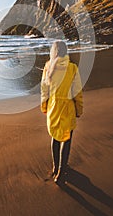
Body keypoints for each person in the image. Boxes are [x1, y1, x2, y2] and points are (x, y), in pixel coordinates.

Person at [41, 40, 83, 186]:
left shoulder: (48, 67)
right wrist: (79, 109)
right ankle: (61, 172)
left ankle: (55, 166)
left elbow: (44, 91)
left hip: (53, 107)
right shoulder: (72, 68)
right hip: (67, 108)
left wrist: (44, 107)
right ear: (66, 52)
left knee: (55, 137)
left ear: (53, 52)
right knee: (67, 139)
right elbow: (77, 92)